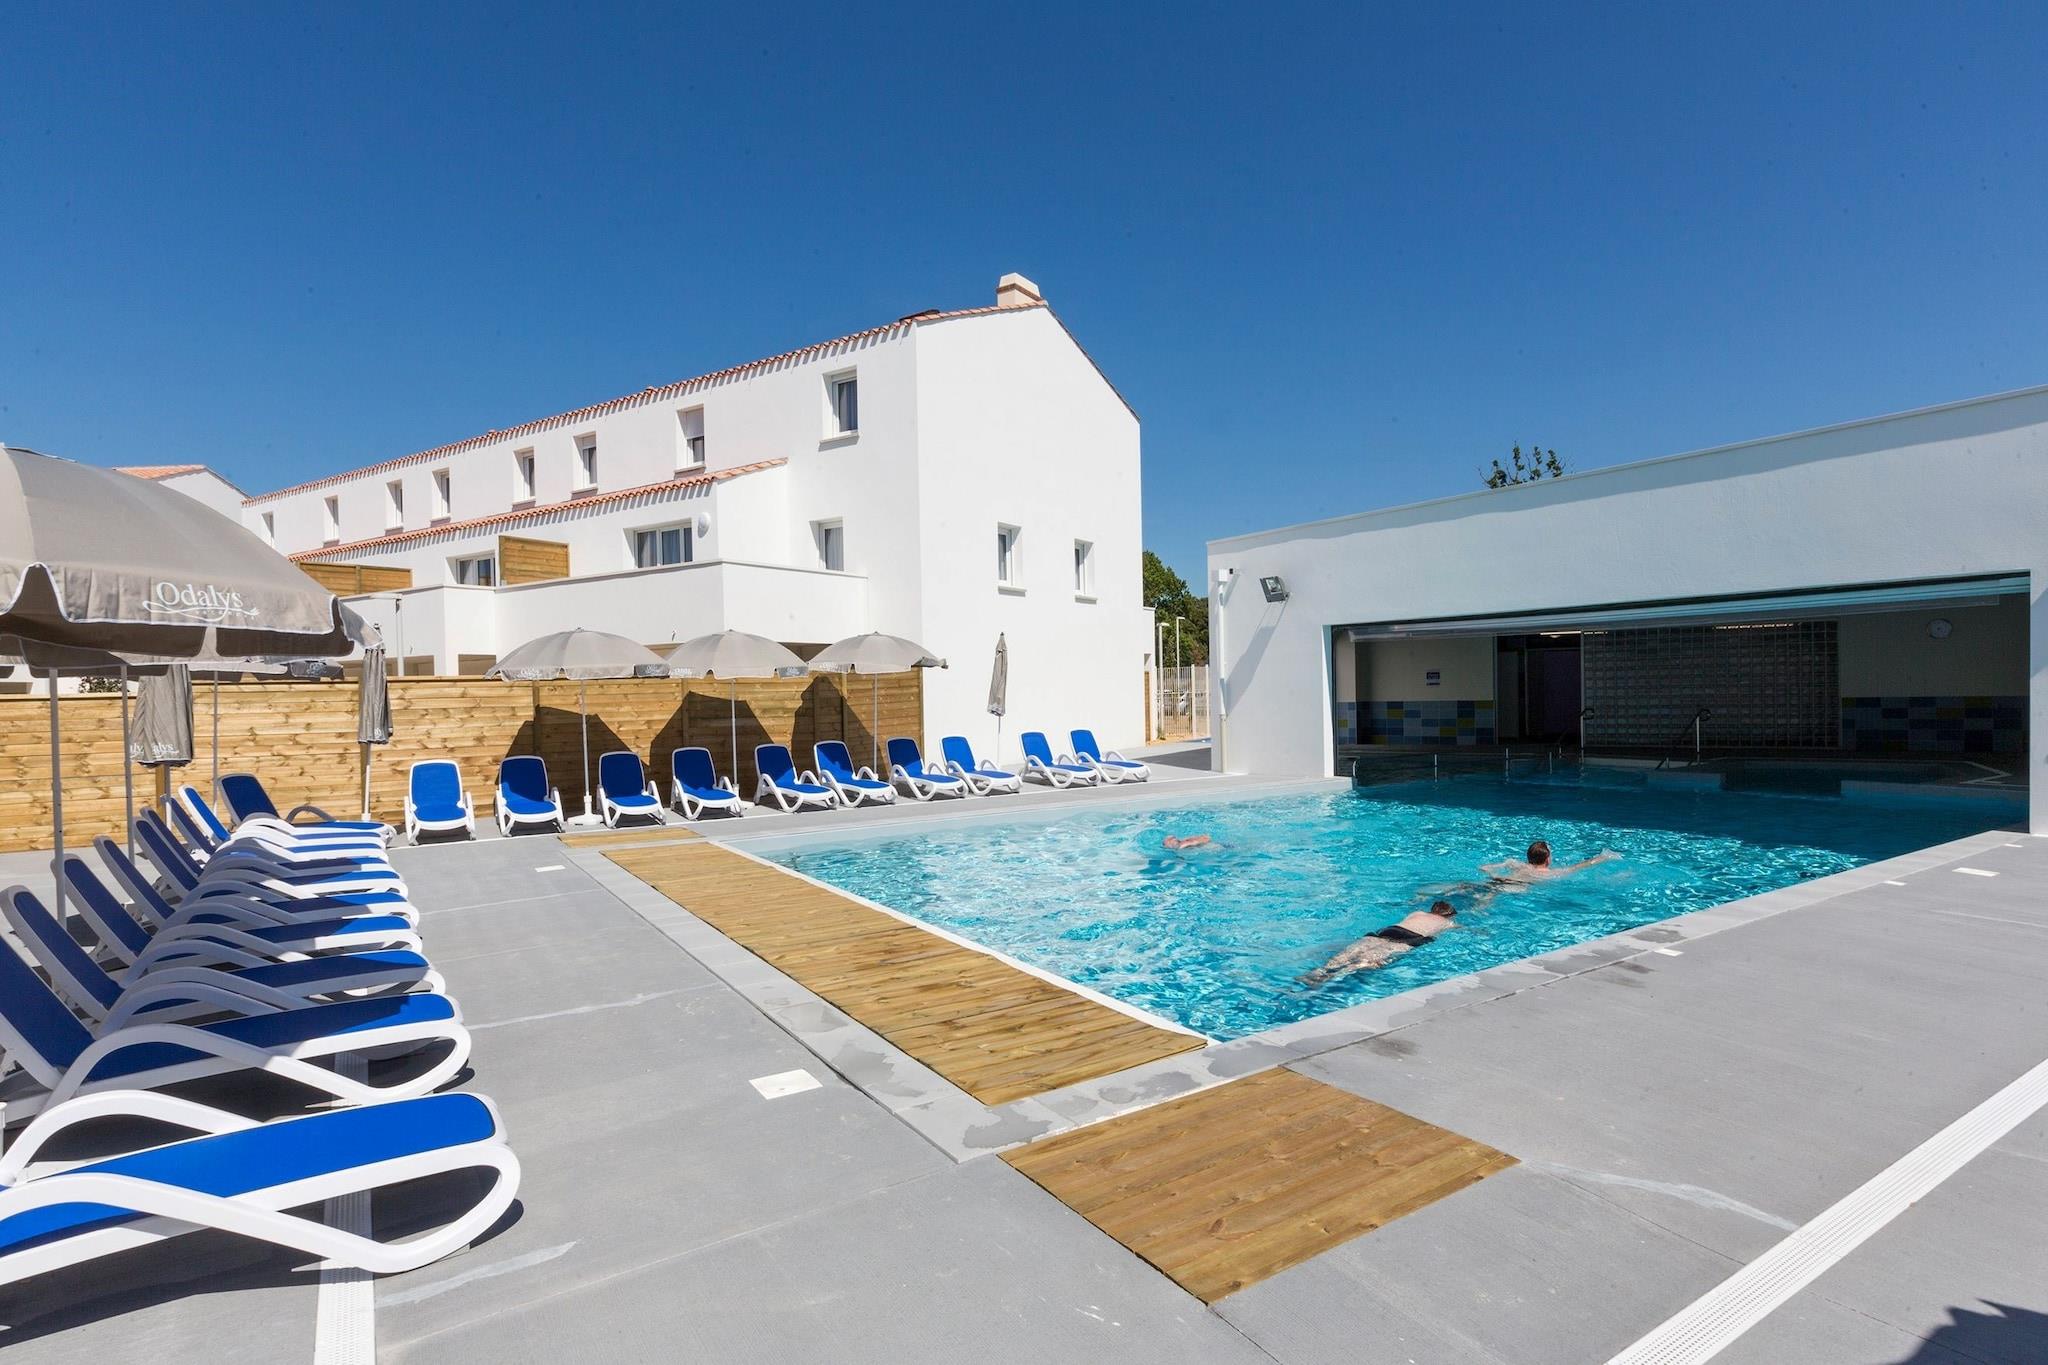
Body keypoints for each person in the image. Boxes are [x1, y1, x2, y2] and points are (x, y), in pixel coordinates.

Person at [1304, 900, 1458, 985]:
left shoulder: (1418, 913)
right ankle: (1335, 976)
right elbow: (1457, 929)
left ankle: (1320, 971)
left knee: (1351, 953)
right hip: (1410, 938)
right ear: (1449, 915)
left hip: (1388, 931)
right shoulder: (1448, 923)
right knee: (1369, 961)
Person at [1481, 839, 1619, 886]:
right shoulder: (1552, 874)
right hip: (1512, 887)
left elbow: (1485, 867)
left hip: (1496, 881)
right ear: (1548, 859)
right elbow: (1579, 866)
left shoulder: (1519, 865)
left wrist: (1492, 871)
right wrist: (1603, 857)